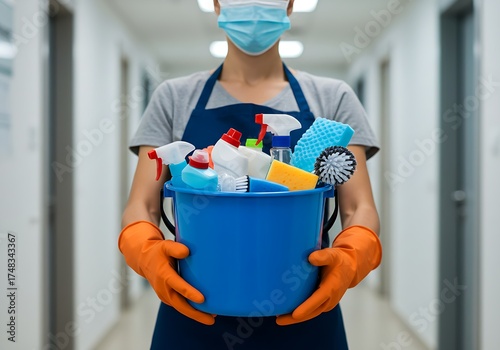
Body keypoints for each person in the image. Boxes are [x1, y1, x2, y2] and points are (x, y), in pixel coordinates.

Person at [119, 0, 382, 348]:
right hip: (194, 309)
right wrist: (145, 249)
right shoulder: (174, 97)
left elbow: (357, 207)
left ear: (289, 5)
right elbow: (143, 205)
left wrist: (352, 254)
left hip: (304, 311)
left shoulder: (333, 97)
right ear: (216, 4)